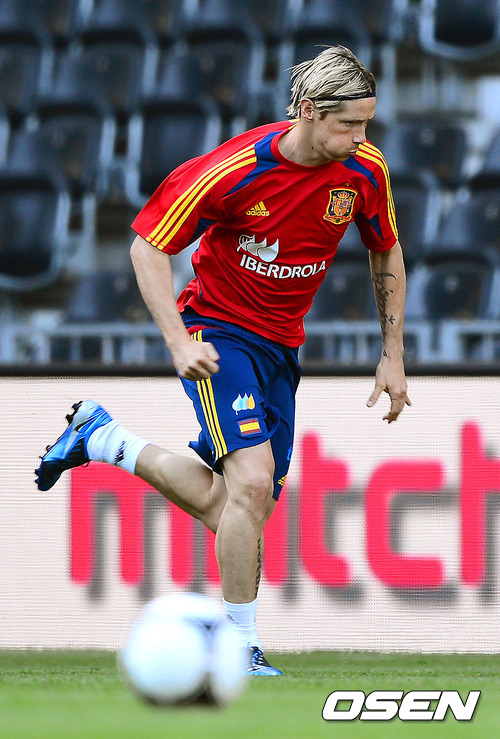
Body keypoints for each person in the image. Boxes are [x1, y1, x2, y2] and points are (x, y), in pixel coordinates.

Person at [35, 46, 411, 676]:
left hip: (282, 347)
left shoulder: (364, 170)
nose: (361, 138)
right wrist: (180, 342)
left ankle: (103, 439)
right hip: (219, 332)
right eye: (349, 124)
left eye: (367, 123)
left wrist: (392, 355)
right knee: (253, 484)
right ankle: (239, 648)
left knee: (236, 507)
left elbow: (387, 251)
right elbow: (147, 247)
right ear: (310, 111)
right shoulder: (233, 170)